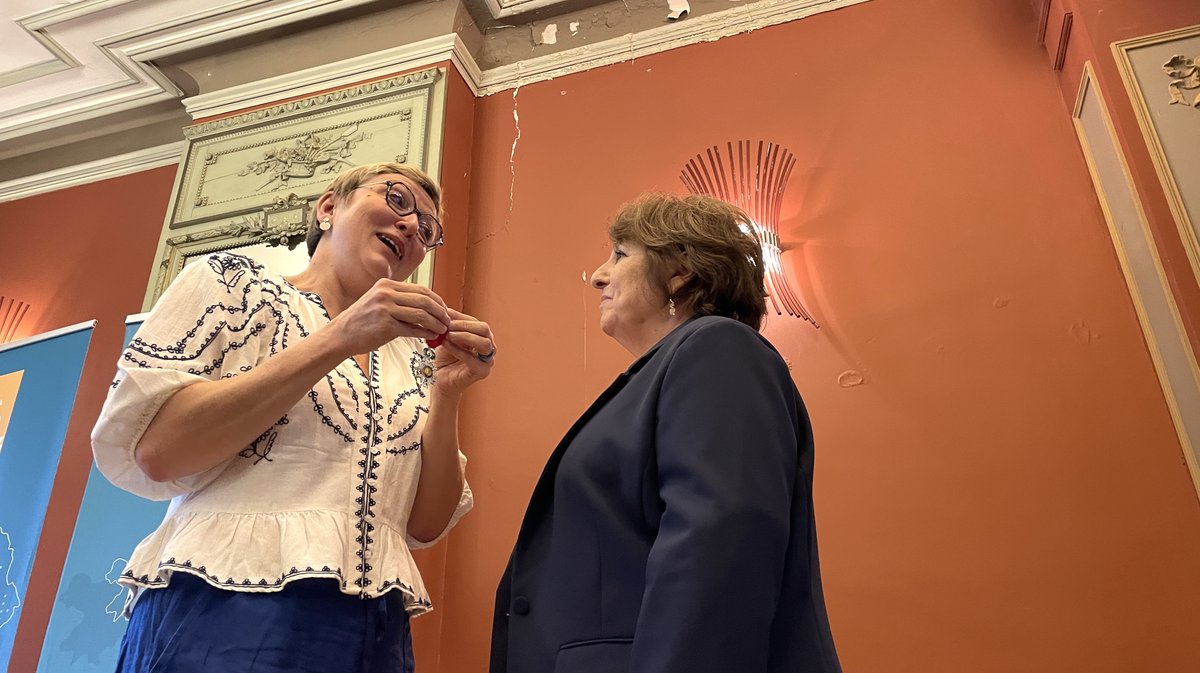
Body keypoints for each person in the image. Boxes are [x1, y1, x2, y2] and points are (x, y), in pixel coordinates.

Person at [93, 162, 495, 673]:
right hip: (224, 605)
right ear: (328, 208)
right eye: (396, 200)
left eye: (428, 228)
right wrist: (338, 338)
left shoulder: (412, 359)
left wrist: (448, 393)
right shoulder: (235, 288)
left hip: (374, 628)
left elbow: (422, 523)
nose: (413, 225)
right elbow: (159, 452)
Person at [491, 193, 841, 673]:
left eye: (619, 254)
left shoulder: (719, 348)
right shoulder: (677, 368)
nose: (597, 275)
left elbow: (719, 547)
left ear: (680, 271)